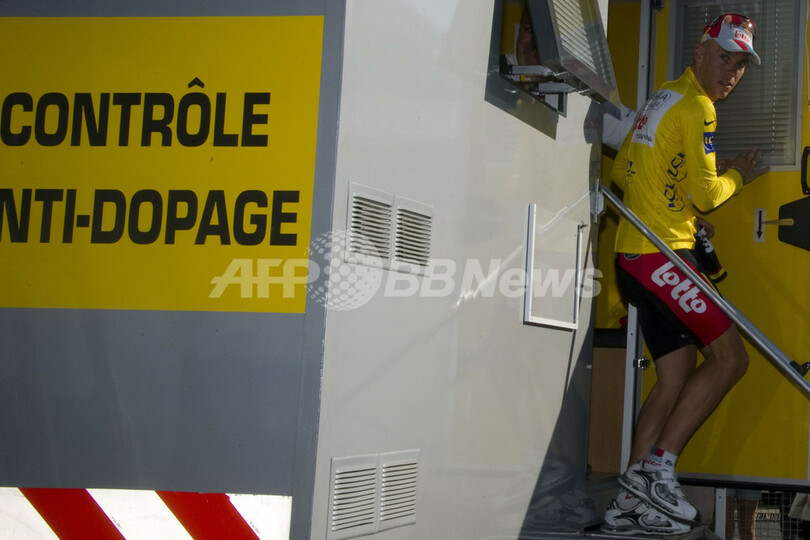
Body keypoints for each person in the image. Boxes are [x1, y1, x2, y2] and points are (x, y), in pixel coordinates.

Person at [600, 13, 770, 536]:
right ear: (700, 52)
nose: (731, 73)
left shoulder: (662, 97)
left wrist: (679, 216)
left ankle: (628, 502)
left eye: (740, 65)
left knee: (674, 376)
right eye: (724, 58)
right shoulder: (698, 107)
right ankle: (657, 472)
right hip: (662, 257)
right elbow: (708, 193)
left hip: (635, 257)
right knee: (731, 358)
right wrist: (739, 173)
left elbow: (624, 171)